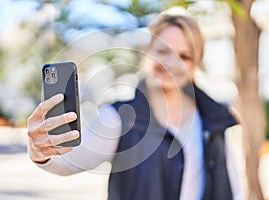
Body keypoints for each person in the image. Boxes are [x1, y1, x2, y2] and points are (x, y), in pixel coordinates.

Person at [27, 12, 246, 200]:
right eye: (163, 51)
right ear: (147, 51)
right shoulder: (118, 117)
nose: (172, 63)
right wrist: (40, 149)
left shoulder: (214, 118)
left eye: (185, 56)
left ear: (196, 63)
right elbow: (68, 163)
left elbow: (234, 187)